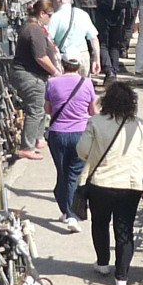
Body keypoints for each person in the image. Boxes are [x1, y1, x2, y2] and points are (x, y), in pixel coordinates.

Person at [76, 80, 143, 285]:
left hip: (101, 183)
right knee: (124, 228)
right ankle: (122, 275)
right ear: (131, 103)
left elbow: (82, 151)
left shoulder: (95, 122)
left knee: (100, 223)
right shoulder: (140, 126)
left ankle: (102, 263)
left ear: (105, 101)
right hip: (130, 185)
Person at [4, 0, 64, 160]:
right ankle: (27, 146)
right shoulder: (34, 30)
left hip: (33, 74)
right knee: (35, 110)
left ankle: (37, 139)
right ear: (42, 13)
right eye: (49, 16)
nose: (50, 19)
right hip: (29, 75)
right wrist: (55, 72)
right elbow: (40, 56)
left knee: (40, 108)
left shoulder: (32, 28)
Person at [42, 67, 96, 227]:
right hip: (80, 133)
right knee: (74, 174)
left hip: (57, 134)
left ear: (63, 65)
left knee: (63, 171)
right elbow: (93, 110)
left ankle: (65, 207)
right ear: (78, 67)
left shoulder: (51, 82)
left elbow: (48, 109)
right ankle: (72, 215)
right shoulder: (87, 83)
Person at [46, 0, 100, 75]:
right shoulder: (83, 14)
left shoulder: (55, 17)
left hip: (65, 57)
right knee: (81, 86)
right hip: (82, 55)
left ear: (59, 0)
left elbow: (48, 39)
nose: (51, 3)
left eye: (53, 0)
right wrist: (96, 59)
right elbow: (94, 38)